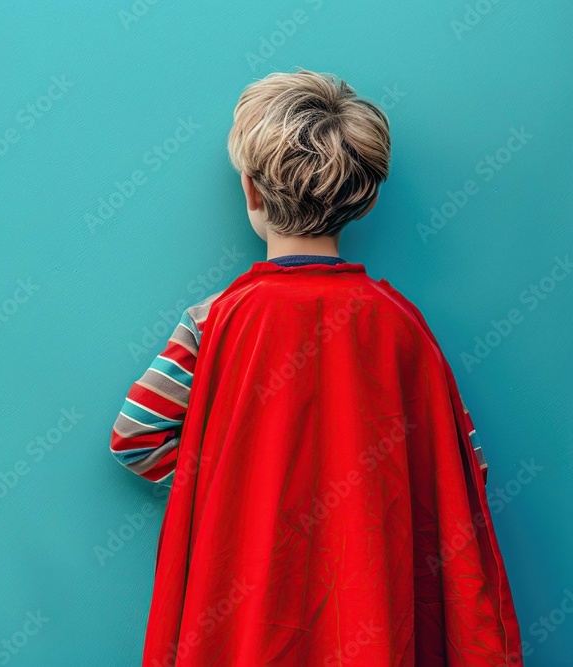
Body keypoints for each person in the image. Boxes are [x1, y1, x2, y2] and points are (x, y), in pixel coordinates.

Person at [109, 69, 522, 666]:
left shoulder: (213, 321)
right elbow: (460, 469)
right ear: (367, 198)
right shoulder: (403, 328)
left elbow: (136, 439)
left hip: (244, 617)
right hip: (372, 612)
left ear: (250, 190)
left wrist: (241, 488)